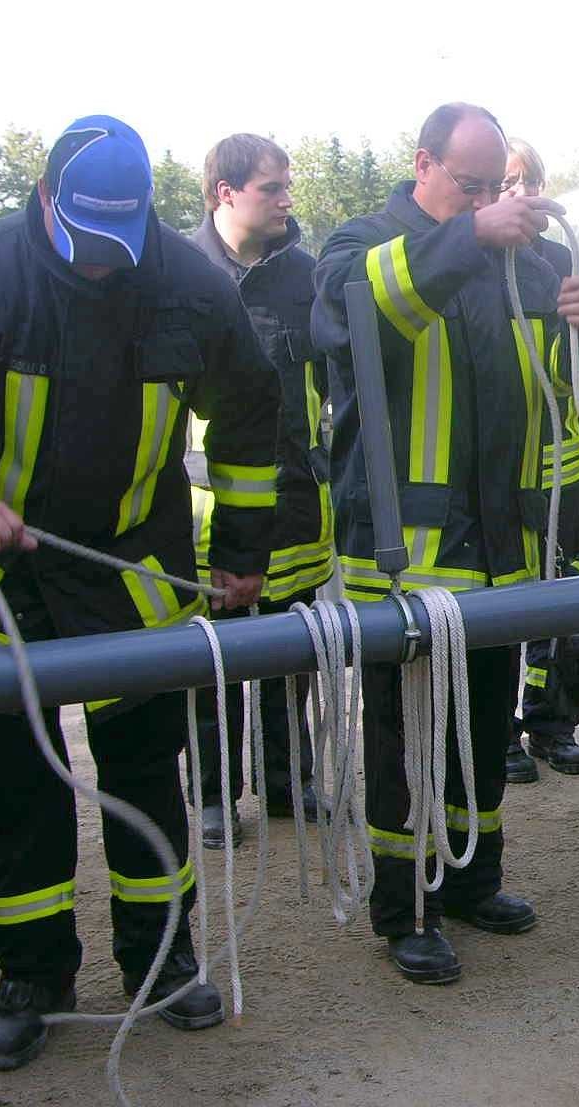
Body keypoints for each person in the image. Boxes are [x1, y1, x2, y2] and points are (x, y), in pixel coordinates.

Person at [0, 115, 279, 1069]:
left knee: (144, 777)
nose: (98, 269)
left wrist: (244, 549)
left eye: (115, 250)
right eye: (82, 245)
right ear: (48, 203)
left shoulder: (190, 288)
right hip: (7, 578)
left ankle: (161, 964)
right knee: (17, 790)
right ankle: (32, 975)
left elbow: (251, 422)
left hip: (137, 568)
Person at [312, 103, 579, 984]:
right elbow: (353, 318)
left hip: (502, 553)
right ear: (424, 163)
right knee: (407, 742)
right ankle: (407, 908)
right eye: (472, 184)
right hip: (402, 558)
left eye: (501, 187)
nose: (492, 201)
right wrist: (469, 237)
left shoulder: (531, 261)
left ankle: (477, 878)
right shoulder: (361, 242)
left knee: (484, 730)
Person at [187, 135, 329, 847]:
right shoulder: (179, 274)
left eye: (286, 187)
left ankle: (289, 781)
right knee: (210, 664)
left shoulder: (307, 276)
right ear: (225, 193)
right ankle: (213, 795)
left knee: (290, 655)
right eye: (271, 188)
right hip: (201, 513)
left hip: (294, 503)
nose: (286, 200)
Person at [501, 138, 579, 782]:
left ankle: (552, 722)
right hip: (496, 478)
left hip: (561, 468)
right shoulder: (473, 263)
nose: (515, 193)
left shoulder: (560, 261)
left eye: (524, 180)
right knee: (502, 607)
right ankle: (499, 734)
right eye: (502, 183)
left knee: (562, 598)